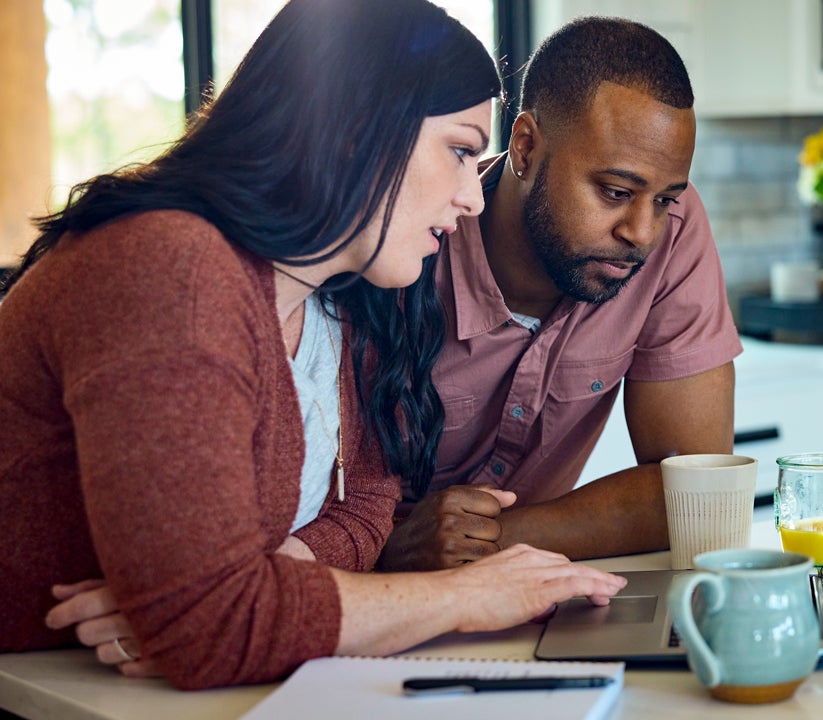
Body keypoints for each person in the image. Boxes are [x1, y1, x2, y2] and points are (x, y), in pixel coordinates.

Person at [0, 0, 623, 690]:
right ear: (352, 129)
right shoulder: (171, 270)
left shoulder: (338, 294)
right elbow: (209, 630)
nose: (472, 197)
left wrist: (256, 592)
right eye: (458, 150)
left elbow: (366, 509)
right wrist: (471, 596)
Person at [378, 16, 743, 572]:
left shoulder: (672, 231)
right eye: (615, 191)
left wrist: (485, 540)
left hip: (526, 589)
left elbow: (698, 494)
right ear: (525, 146)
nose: (642, 233)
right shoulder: (406, 243)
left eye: (665, 199)